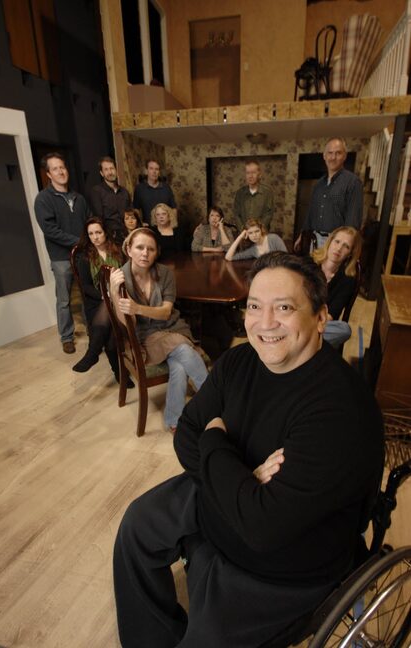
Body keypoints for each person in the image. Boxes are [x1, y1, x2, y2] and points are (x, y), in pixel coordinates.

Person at [112, 251, 384, 648]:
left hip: (285, 563)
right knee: (137, 525)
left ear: (321, 316)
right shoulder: (241, 360)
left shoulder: (339, 410)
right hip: (229, 499)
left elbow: (262, 528)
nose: (265, 322)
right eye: (255, 306)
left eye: (285, 307)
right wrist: (243, 479)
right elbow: (187, 430)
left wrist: (217, 441)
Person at [109, 228, 208, 433]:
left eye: (151, 249)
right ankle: (215, 400)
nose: (145, 253)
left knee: (179, 364)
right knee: (182, 350)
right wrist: (113, 292)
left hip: (172, 326)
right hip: (145, 336)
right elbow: (128, 323)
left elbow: (165, 313)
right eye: (140, 247)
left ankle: (174, 420)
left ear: (157, 252)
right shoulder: (121, 278)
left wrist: (137, 307)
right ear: (129, 249)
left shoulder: (165, 273)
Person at [34, 152, 90, 354]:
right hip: (61, 258)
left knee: (87, 295)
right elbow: (50, 230)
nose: (61, 171)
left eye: (62, 167)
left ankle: (93, 331)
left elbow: (89, 222)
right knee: (64, 299)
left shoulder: (79, 198)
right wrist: (79, 241)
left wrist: (89, 241)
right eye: (55, 168)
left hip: (83, 256)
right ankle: (67, 337)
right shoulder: (43, 199)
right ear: (48, 174)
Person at [72, 218, 132, 386]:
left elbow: (128, 276)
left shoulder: (118, 252)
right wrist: (104, 295)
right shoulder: (85, 257)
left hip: (120, 296)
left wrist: (114, 294)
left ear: (105, 232)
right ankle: (120, 374)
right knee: (111, 328)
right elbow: (85, 286)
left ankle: (94, 352)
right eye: (91, 234)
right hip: (96, 302)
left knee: (110, 311)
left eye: (98, 232)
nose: (95, 237)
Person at [295, 137, 363, 251]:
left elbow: (353, 220)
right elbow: (311, 212)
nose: (333, 157)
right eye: (330, 153)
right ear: (324, 156)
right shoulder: (319, 184)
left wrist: (345, 245)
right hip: (315, 240)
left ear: (344, 156)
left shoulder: (353, 182)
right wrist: (302, 235)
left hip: (337, 243)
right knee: (314, 269)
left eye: (338, 153)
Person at [312, 226, 362, 348]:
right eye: (337, 241)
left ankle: (303, 340)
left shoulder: (348, 280)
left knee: (344, 329)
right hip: (299, 316)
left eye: (346, 246)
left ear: (351, 253)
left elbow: (330, 315)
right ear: (330, 241)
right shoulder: (309, 264)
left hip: (319, 323)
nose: (339, 248)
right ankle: (309, 342)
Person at [89, 156, 132, 242]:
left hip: (127, 235)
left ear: (116, 170)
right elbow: (98, 218)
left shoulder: (124, 192)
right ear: (101, 173)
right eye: (106, 169)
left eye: (112, 168)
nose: (110, 172)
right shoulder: (97, 191)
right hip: (110, 238)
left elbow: (131, 214)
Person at [233, 159, 274, 231]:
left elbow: (269, 214)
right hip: (244, 234)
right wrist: (243, 229)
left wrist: (257, 230)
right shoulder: (240, 193)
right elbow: (236, 214)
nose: (250, 176)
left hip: (261, 234)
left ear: (259, 174)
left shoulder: (267, 192)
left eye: (253, 173)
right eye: (248, 173)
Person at [133, 159, 177, 224]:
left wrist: (173, 224)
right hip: (148, 227)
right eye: (151, 168)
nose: (154, 171)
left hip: (165, 227)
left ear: (159, 172)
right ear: (146, 171)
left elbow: (173, 209)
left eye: (156, 169)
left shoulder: (166, 188)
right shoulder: (139, 189)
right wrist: (140, 223)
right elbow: (136, 209)